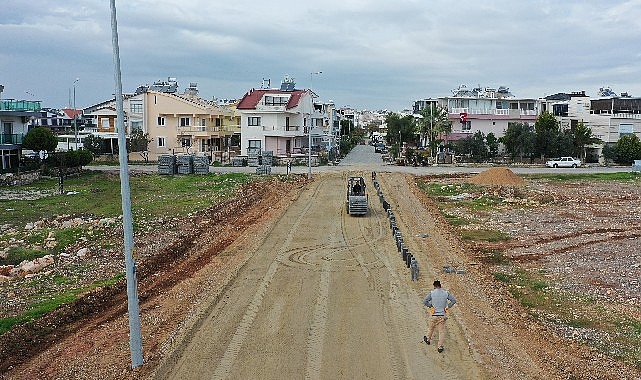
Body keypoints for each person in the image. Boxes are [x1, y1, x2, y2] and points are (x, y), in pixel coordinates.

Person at [422, 280, 456, 353]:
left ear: (434, 286)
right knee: (441, 332)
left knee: (431, 328)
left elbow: (425, 301)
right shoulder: (446, 293)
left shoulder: (432, 293)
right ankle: (440, 347)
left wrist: (430, 306)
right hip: (442, 316)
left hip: (434, 314)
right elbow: (453, 300)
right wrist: (447, 307)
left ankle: (428, 339)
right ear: (440, 286)